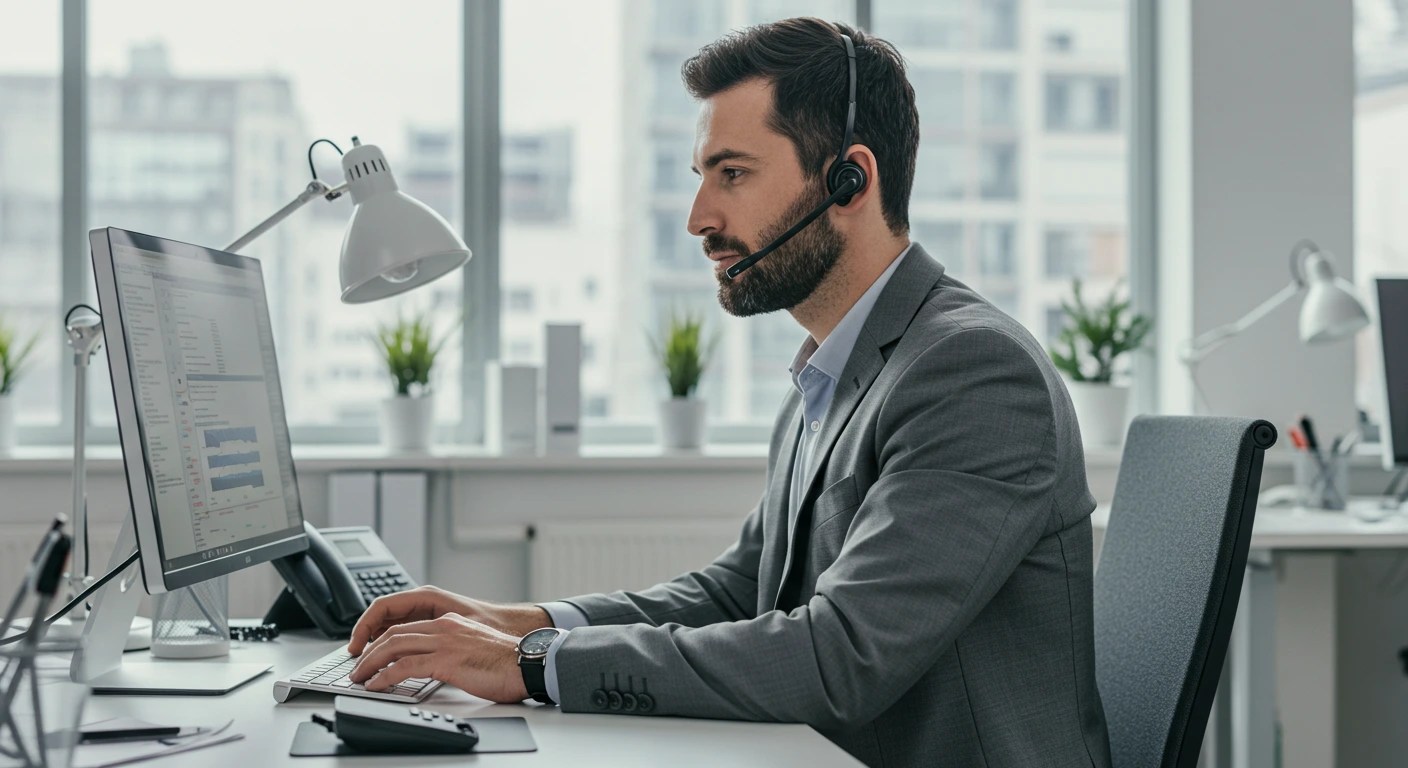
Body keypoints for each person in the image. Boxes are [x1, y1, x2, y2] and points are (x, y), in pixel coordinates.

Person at [348, 17, 1112, 767]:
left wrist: (535, 663)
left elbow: (839, 657)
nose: (698, 219)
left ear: (850, 181)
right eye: (702, 176)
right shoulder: (835, 365)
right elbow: (742, 589)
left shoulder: (972, 371)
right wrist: (522, 624)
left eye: (733, 174)